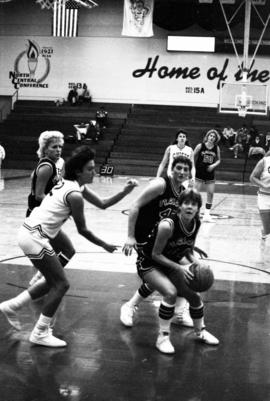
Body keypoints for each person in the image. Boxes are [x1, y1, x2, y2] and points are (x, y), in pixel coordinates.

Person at [0, 146, 138, 347]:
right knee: (61, 284)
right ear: (79, 172)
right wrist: (104, 245)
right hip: (33, 236)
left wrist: (126, 190)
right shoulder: (74, 195)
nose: (95, 171)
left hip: (35, 229)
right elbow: (83, 230)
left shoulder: (74, 184)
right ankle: (40, 332)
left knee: (68, 253)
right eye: (90, 169)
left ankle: (14, 305)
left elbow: (103, 204)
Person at [136, 188, 219, 354]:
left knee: (194, 297)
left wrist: (197, 263)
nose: (190, 207)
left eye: (194, 204)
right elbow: (156, 254)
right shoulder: (167, 225)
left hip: (171, 262)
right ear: (179, 206)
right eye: (186, 203)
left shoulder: (196, 223)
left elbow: (186, 249)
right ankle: (163, 338)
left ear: (198, 208)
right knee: (170, 293)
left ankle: (200, 331)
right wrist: (180, 268)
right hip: (149, 263)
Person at [121, 156, 195, 329]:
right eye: (179, 168)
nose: (182, 172)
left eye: (185, 169)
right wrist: (130, 236)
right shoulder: (161, 184)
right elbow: (134, 206)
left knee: (186, 271)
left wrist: (185, 244)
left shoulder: (182, 192)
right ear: (172, 168)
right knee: (166, 274)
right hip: (144, 238)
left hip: (161, 240)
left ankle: (177, 311)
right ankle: (130, 306)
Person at [26, 131, 65, 218]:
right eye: (54, 147)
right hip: (38, 213)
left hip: (46, 211)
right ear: (45, 149)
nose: (58, 149)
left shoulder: (58, 162)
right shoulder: (47, 167)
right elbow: (39, 196)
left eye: (60, 146)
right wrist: (59, 207)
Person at [193, 129, 221, 223]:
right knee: (195, 193)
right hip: (199, 172)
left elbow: (219, 160)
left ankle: (207, 214)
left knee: (210, 193)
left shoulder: (216, 148)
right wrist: (193, 168)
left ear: (215, 139)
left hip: (210, 173)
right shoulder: (200, 145)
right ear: (207, 136)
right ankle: (195, 213)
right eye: (210, 136)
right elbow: (192, 156)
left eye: (214, 137)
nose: (212, 138)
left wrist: (213, 165)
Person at [250, 150, 270, 240]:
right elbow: (252, 177)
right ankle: (265, 231)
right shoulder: (265, 161)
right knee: (268, 233)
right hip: (264, 197)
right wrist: (264, 185)